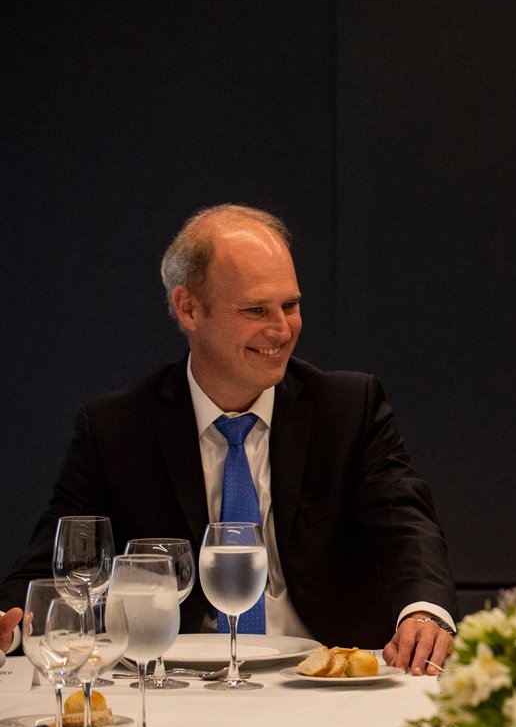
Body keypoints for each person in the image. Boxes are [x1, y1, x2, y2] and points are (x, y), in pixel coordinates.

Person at [0, 204, 457, 675]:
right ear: (189, 308)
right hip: (174, 687)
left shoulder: (349, 407)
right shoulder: (117, 428)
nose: (281, 330)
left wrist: (423, 609)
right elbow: (50, 571)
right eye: (256, 310)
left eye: (291, 305)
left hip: (323, 680)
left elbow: (407, 525)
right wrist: (7, 624)